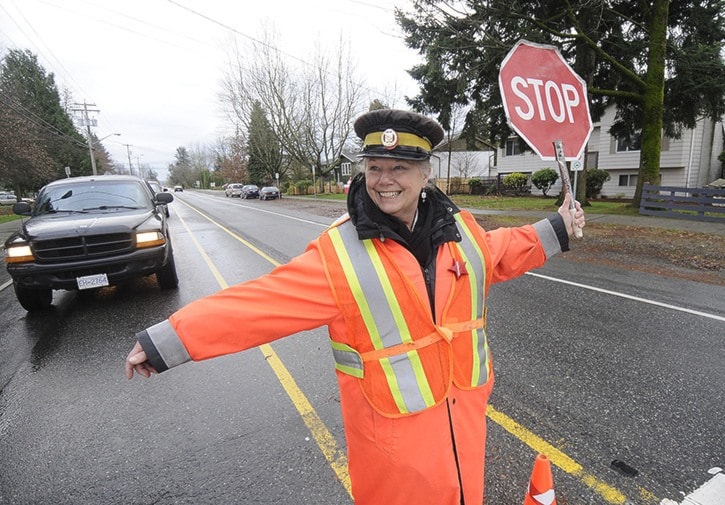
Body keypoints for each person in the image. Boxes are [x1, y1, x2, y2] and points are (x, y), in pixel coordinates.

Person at [125, 109, 585, 505]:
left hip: (463, 431)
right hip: (392, 454)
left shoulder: (460, 229)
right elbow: (259, 304)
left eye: (400, 168)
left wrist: (557, 229)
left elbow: (500, 251)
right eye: (375, 167)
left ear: (426, 173)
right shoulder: (338, 255)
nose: (385, 180)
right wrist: (168, 340)